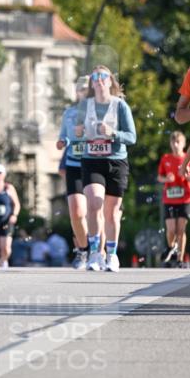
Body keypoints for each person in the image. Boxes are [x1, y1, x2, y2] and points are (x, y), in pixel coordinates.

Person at [75, 65, 137, 272]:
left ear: (110, 81)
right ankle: (95, 253)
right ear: (92, 82)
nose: (99, 80)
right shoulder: (85, 105)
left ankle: (111, 254)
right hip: (91, 160)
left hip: (116, 161)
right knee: (94, 203)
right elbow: (77, 134)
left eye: (103, 76)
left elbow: (132, 137)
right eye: (95, 77)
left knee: (111, 212)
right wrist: (82, 133)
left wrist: (113, 133)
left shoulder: (120, 106)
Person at [56, 75, 91, 269]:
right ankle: (83, 250)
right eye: (80, 89)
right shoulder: (68, 113)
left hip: (94, 164)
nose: (83, 92)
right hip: (73, 165)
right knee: (77, 212)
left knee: (94, 211)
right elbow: (64, 136)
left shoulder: (97, 112)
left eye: (86, 89)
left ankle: (99, 250)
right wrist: (63, 142)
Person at [157, 131, 190, 266]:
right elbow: (159, 177)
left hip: (185, 198)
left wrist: (187, 177)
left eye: (178, 142)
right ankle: (171, 248)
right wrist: (167, 178)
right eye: (173, 142)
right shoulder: (165, 158)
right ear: (170, 144)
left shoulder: (188, 159)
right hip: (170, 199)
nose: (176, 145)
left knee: (181, 230)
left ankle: (180, 259)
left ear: (184, 144)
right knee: (171, 229)